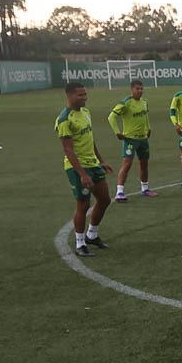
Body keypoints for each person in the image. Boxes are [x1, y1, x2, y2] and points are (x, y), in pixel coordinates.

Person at [58, 81, 113, 258]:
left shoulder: (86, 112)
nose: (85, 98)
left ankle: (92, 235)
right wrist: (82, 174)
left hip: (93, 164)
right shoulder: (64, 119)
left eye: (85, 94)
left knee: (104, 200)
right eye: (80, 95)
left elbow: (91, 139)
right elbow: (67, 149)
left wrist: (101, 161)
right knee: (83, 204)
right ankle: (80, 243)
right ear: (70, 95)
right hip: (77, 167)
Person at [109, 79, 157, 201]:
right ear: (132, 89)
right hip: (130, 139)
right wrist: (117, 132)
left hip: (143, 139)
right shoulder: (126, 103)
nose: (140, 91)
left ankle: (145, 188)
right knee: (127, 164)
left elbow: (145, 116)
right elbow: (111, 117)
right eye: (137, 89)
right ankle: (119, 192)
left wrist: (148, 127)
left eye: (142, 89)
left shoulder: (144, 102)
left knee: (144, 163)